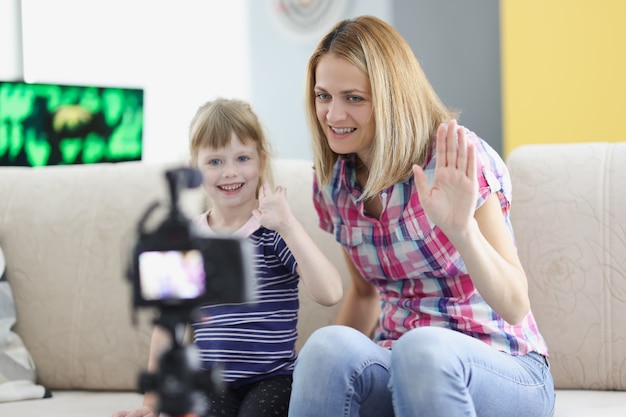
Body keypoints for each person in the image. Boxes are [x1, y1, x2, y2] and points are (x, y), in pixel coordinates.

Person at [287, 15, 555, 417]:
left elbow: (515, 305)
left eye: (354, 98)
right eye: (323, 96)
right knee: (326, 346)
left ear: (392, 96)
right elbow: (364, 295)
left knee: (422, 347)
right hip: (398, 363)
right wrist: (324, 371)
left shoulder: (455, 159)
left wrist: (461, 230)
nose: (334, 115)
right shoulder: (335, 185)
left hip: (502, 364)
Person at [112, 98, 343, 417]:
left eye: (242, 158)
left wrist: (289, 227)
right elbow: (168, 328)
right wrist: (151, 403)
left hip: (274, 379)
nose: (230, 172)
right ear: (195, 169)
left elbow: (330, 293)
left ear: (261, 162)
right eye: (215, 161)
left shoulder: (275, 232)